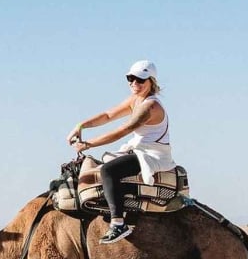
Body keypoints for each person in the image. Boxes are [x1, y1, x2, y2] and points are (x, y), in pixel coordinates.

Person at [67, 59, 175, 244]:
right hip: (139, 149)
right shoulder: (136, 99)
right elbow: (109, 115)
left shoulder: (150, 106)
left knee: (108, 171)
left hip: (152, 155)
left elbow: (124, 130)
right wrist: (80, 126)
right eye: (130, 79)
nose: (134, 84)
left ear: (152, 82)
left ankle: (118, 223)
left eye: (140, 80)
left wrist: (88, 144)